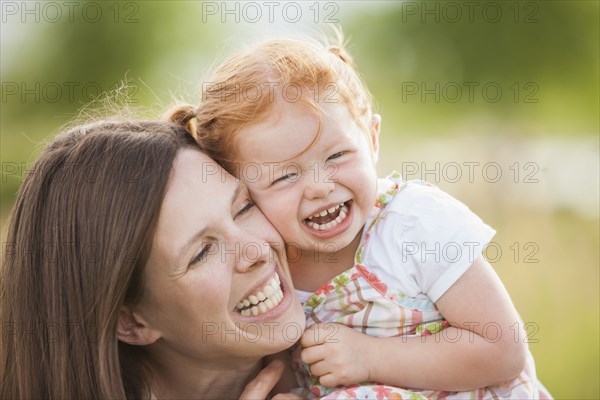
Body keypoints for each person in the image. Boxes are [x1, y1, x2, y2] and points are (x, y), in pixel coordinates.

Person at [167, 34, 552, 399]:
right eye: (285, 176)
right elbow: (291, 369)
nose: (319, 187)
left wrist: (371, 357)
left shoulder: (413, 224)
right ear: (242, 193)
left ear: (372, 138)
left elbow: (502, 348)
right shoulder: (269, 267)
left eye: (336, 156)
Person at [0, 119, 306, 399]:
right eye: (201, 253)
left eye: (244, 208)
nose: (257, 250)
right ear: (131, 322)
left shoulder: (346, 318)